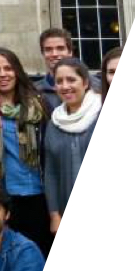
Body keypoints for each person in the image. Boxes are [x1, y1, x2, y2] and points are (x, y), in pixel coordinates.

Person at [0, 49, 52, 257]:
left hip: (40, 194)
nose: (2, 74)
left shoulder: (38, 104)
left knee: (41, 255)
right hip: (4, 196)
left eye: (7, 68)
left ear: (17, 71)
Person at [44, 58, 101, 235]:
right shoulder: (54, 123)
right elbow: (51, 173)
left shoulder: (101, 112)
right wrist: (55, 215)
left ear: (85, 83)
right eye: (59, 81)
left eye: (71, 79)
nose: (65, 86)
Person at [35, 28, 100, 110]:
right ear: (43, 54)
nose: (54, 54)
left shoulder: (96, 86)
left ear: (70, 52)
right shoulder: (34, 91)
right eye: (48, 49)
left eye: (60, 48)